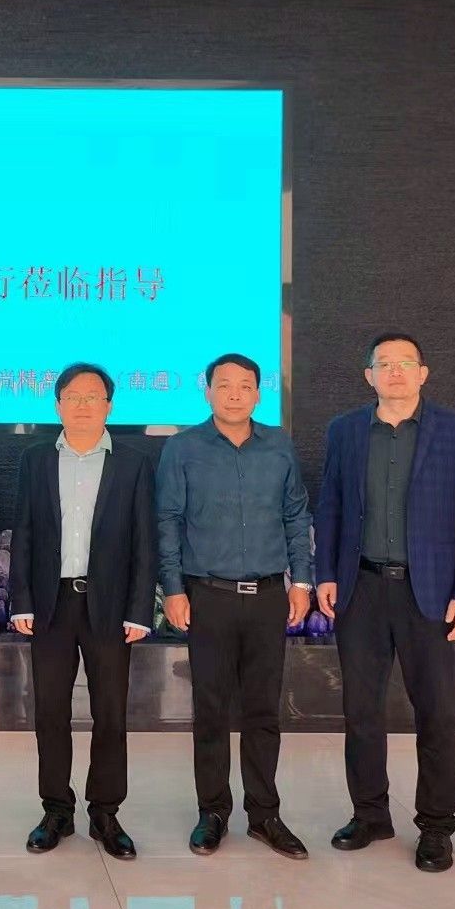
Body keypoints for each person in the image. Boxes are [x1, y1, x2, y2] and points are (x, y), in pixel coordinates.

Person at [315, 333, 455, 873]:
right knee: (361, 711)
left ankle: (436, 826)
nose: (394, 372)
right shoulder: (345, 431)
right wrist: (325, 574)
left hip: (428, 593)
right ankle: (370, 814)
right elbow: (330, 506)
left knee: (436, 712)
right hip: (361, 588)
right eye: (383, 364)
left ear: (423, 373)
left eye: (404, 363)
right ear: (368, 375)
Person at [157, 353, 313, 860]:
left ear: (258, 393)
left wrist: (302, 581)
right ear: (207, 391)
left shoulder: (279, 445)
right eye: (223, 385)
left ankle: (265, 814)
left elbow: (296, 515)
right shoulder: (183, 448)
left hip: (268, 596)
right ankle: (213, 812)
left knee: (263, 710)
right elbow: (168, 520)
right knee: (211, 710)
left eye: (245, 385)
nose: (234, 394)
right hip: (209, 596)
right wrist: (173, 589)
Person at [9, 363, 155, 860]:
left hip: (109, 606)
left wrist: (140, 609)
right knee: (50, 710)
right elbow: (24, 532)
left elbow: (145, 540)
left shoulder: (133, 463)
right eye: (73, 395)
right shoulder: (35, 460)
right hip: (51, 605)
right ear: (58, 405)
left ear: (109, 405)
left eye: (94, 396)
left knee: (110, 711)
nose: (84, 404)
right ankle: (56, 809)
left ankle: (106, 812)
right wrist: (21, 600)